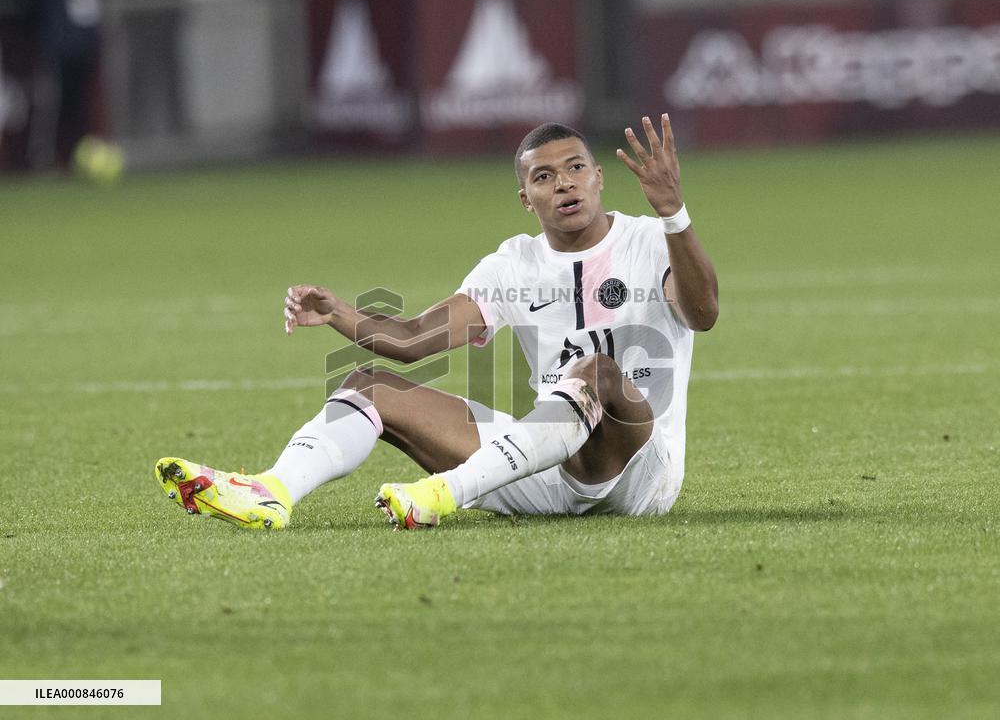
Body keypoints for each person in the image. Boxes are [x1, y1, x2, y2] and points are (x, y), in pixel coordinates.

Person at [154, 113, 719, 530]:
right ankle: (272, 491)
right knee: (366, 385)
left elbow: (704, 312)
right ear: (525, 198)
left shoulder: (650, 240)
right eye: (544, 177)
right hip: (546, 465)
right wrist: (339, 313)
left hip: (642, 473)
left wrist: (674, 212)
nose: (564, 183)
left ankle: (441, 494)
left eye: (574, 169)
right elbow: (411, 340)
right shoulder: (511, 264)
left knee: (596, 372)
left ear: (598, 178)